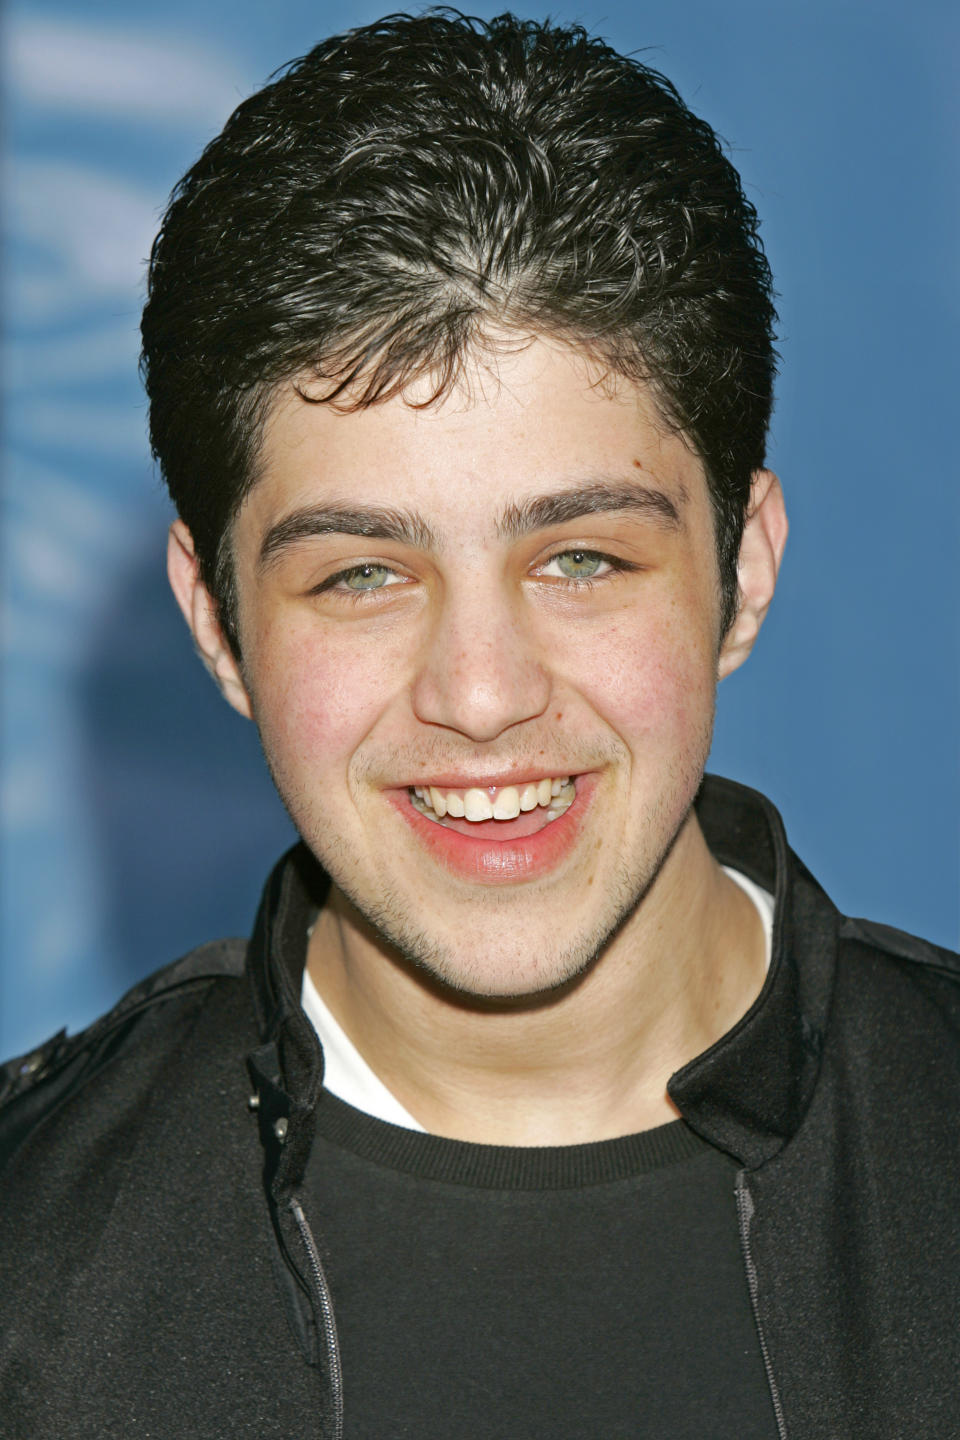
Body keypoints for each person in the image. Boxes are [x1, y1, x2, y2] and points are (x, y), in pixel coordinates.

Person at [1, 11, 957, 1438]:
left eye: (580, 558)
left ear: (741, 572)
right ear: (217, 626)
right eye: (364, 574)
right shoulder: (30, 1264)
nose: (484, 690)